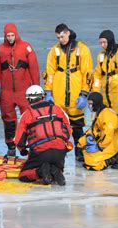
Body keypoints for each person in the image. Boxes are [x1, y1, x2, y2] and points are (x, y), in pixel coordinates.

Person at [44, 23, 93, 162]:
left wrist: (84, 94)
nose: (61, 39)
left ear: (68, 33)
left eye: (63, 36)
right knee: (58, 129)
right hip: (59, 97)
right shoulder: (54, 51)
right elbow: (50, 72)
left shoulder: (82, 49)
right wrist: (48, 92)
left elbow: (87, 73)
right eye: (58, 37)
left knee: (77, 128)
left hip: (75, 97)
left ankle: (80, 153)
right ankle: (60, 153)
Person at [0, 23, 40, 157]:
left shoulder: (26, 48)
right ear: (5, 36)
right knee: (8, 120)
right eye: (8, 36)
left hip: (24, 91)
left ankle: (29, 145)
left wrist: (37, 88)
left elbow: (34, 69)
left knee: (29, 118)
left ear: (16, 34)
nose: (11, 38)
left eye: (12, 35)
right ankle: (11, 146)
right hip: (6, 93)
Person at [91, 30, 118, 168]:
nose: (102, 45)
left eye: (104, 42)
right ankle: (112, 153)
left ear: (110, 40)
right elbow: (97, 75)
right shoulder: (101, 56)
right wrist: (96, 93)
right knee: (108, 125)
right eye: (101, 43)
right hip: (106, 96)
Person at [15, 85, 73, 186]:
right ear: (43, 96)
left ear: (28, 99)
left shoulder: (27, 114)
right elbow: (68, 130)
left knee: (23, 176)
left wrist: (22, 150)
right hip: (60, 151)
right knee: (54, 164)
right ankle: (56, 169)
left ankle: (40, 172)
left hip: (40, 152)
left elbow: (19, 141)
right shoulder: (58, 109)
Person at [76, 92, 118, 171]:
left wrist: (99, 146)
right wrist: (89, 135)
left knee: (91, 163)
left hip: (115, 139)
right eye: (89, 104)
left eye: (91, 104)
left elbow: (108, 134)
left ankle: (115, 158)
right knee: (81, 143)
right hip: (104, 137)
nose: (89, 106)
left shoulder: (107, 115)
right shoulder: (100, 112)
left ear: (96, 103)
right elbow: (94, 128)